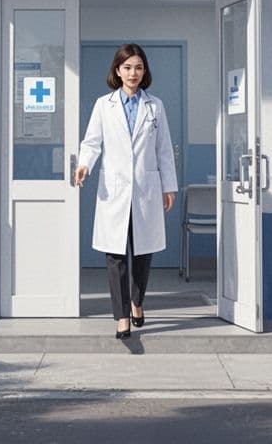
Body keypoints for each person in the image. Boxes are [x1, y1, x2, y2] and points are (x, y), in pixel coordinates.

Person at [74, 43, 179, 339]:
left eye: (139, 67)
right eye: (128, 67)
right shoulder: (102, 105)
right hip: (116, 188)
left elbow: (163, 150)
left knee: (143, 252)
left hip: (146, 187)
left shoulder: (155, 106)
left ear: (144, 72)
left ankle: (136, 301)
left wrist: (169, 185)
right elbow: (92, 142)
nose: (133, 73)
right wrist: (84, 165)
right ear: (117, 71)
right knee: (115, 255)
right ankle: (121, 316)